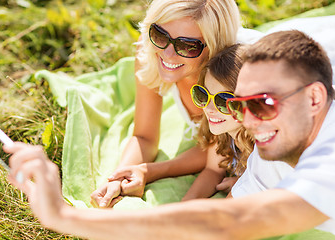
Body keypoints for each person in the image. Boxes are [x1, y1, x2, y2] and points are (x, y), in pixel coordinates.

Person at [5, 30, 335, 239]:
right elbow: (212, 221)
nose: (246, 119)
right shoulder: (263, 158)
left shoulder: (330, 154)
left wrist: (65, 217)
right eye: (239, 105)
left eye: (263, 104)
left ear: (314, 99)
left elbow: (229, 222)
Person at [89, 0, 242, 207]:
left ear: (214, 46)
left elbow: (217, 151)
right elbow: (144, 136)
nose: (168, 54)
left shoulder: (232, 77)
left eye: (187, 46)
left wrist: (150, 171)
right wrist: (119, 178)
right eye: (160, 34)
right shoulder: (150, 53)